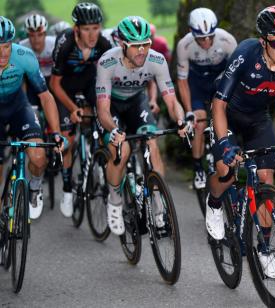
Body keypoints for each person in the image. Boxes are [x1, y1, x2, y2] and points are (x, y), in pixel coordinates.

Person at [207, 5, 275, 278]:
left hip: (258, 119)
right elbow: (218, 104)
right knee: (226, 173)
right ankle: (215, 202)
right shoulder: (245, 54)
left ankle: (264, 250)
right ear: (264, 41)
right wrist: (225, 143)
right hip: (227, 114)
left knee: (266, 179)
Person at [96, 16, 186, 235]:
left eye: (146, 44)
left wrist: (182, 121)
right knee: (122, 149)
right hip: (113, 107)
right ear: (122, 44)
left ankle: (158, 204)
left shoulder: (156, 60)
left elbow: (172, 101)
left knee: (152, 143)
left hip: (137, 102)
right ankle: (115, 200)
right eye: (136, 46)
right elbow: (103, 110)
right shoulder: (107, 62)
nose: (142, 51)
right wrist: (114, 130)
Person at [0, 16, 66, 220]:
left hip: (19, 106)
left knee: (38, 157)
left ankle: (35, 187)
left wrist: (55, 133)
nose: (2, 53)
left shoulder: (24, 56)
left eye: (6, 46)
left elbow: (45, 96)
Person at [50, 2, 111, 218]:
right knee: (68, 138)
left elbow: (110, 75)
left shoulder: (103, 43)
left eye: (96, 27)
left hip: (88, 83)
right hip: (64, 88)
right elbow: (54, 85)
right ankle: (67, 189)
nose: (92, 34)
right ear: (77, 29)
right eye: (86, 29)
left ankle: (102, 162)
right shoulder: (64, 43)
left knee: (105, 119)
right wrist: (73, 108)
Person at [176, 7, 237, 191]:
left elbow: (238, 73)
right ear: (190, 33)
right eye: (202, 38)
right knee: (199, 122)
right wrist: (188, 112)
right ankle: (197, 167)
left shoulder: (227, 40)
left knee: (228, 120)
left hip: (220, 81)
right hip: (197, 85)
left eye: (210, 36)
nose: (207, 41)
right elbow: (182, 81)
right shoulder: (184, 46)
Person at [19, 14, 56, 107]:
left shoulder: (54, 44)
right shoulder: (21, 48)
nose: (36, 39)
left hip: (52, 80)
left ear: (45, 34)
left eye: (40, 35)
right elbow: (21, 78)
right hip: (32, 82)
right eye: (32, 35)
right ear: (27, 36)